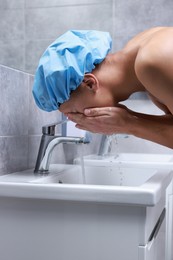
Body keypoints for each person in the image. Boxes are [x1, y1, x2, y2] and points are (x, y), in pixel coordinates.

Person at [33, 27, 173, 149]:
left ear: (89, 83)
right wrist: (128, 120)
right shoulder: (139, 54)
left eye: (75, 112)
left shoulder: (151, 63)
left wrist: (129, 124)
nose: (80, 119)